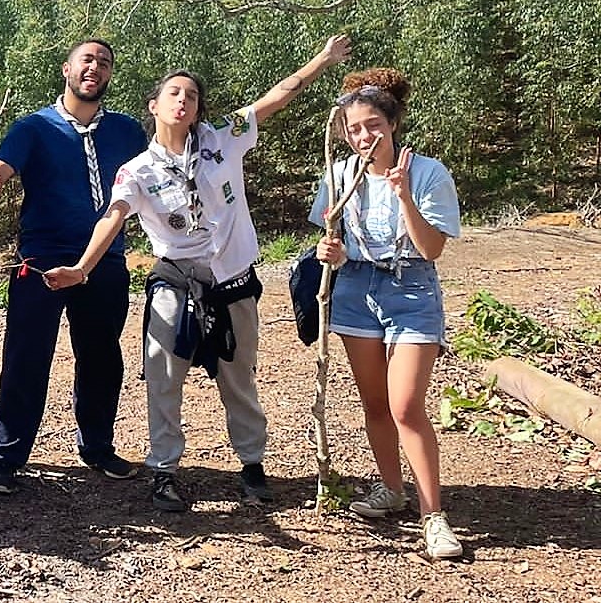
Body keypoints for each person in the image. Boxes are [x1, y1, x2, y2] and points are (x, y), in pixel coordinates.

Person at [69, 35, 351, 512]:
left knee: (238, 375)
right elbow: (113, 216)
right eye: (174, 93)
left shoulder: (224, 139)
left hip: (233, 280)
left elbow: (278, 95)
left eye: (193, 95)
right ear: (154, 105)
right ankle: (163, 470)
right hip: (176, 280)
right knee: (163, 375)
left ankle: (253, 465)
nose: (184, 100)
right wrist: (82, 269)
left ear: (199, 110)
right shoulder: (136, 170)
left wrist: (322, 60)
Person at [0, 38, 147, 495]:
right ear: (67, 69)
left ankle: (97, 447)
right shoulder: (35, 127)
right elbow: (1, 167)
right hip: (42, 260)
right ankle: (6, 455)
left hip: (104, 259)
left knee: (102, 356)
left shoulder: (128, 132)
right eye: (87, 60)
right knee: (27, 357)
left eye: (104, 63)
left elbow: (155, 175)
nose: (95, 68)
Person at [312, 68, 463, 560]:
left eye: (372, 124)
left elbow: (432, 248)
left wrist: (402, 195)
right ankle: (392, 489)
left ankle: (433, 515)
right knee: (375, 404)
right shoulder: (337, 175)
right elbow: (332, 239)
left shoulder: (427, 173)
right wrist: (330, 252)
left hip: (411, 290)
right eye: (354, 128)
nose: (363, 136)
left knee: (405, 406)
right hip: (356, 289)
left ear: (392, 122)